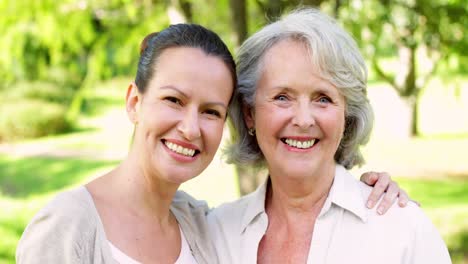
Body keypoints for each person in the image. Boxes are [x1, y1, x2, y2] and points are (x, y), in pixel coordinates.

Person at [17, 23, 410, 264]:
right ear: (135, 102)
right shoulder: (68, 227)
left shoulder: (201, 226)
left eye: (210, 111)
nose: (190, 128)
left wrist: (375, 194)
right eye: (174, 100)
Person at [208, 8, 451, 264]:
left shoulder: (401, 230)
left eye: (323, 99)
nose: (303, 120)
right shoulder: (216, 233)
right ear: (249, 114)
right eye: (282, 97)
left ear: (346, 116)